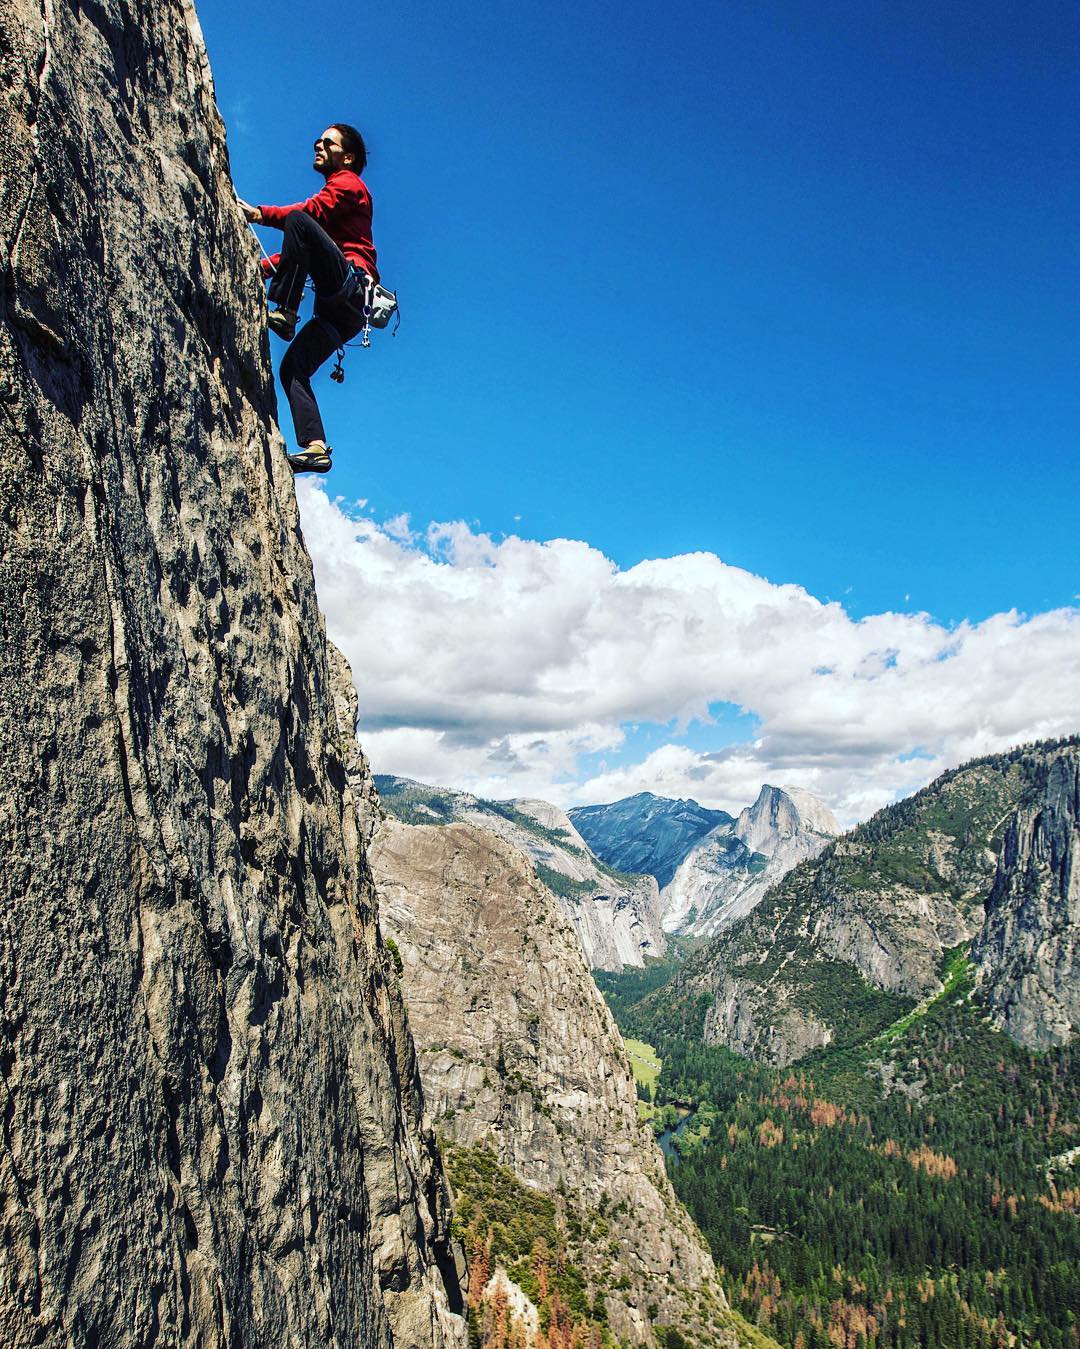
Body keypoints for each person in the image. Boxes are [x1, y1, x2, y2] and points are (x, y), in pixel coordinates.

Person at [237, 124, 378, 474]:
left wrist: (258, 214)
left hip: (348, 288)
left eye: (327, 142)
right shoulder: (335, 211)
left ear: (347, 157)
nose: (318, 144)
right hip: (343, 313)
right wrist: (262, 268)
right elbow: (302, 250)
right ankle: (316, 447)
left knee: (299, 220)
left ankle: (286, 312)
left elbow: (307, 217)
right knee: (293, 369)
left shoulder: (349, 184)